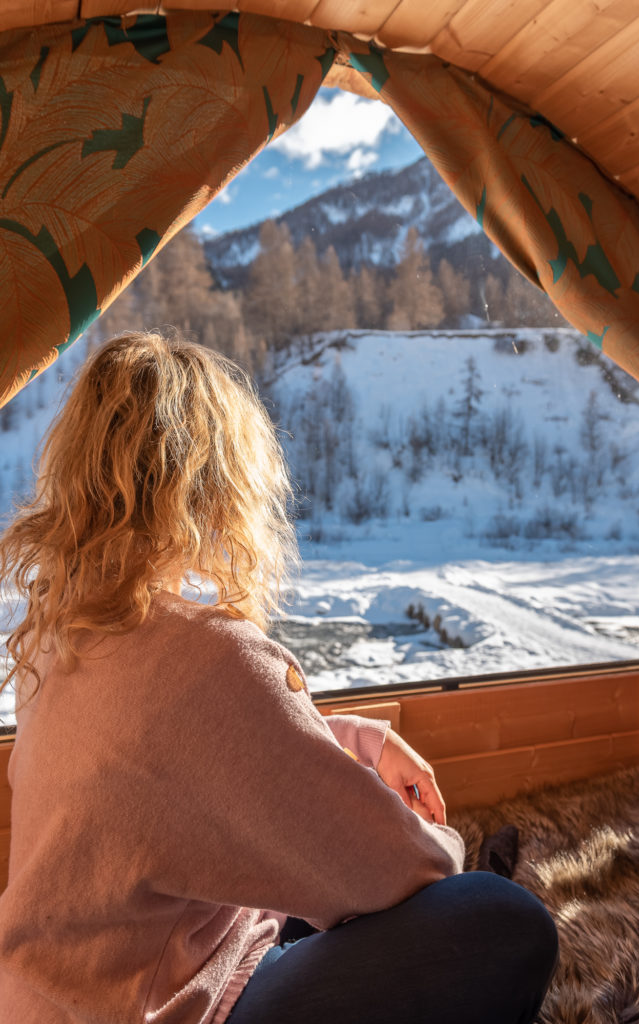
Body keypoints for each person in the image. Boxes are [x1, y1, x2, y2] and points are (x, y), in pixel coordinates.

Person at [0, 332, 557, 1023]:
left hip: (48, 997)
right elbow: (403, 867)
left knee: (296, 887)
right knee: (498, 915)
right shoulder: (203, 657)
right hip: (170, 1005)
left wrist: (348, 739)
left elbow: (167, 769)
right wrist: (438, 842)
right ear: (215, 483)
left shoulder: (62, 637)